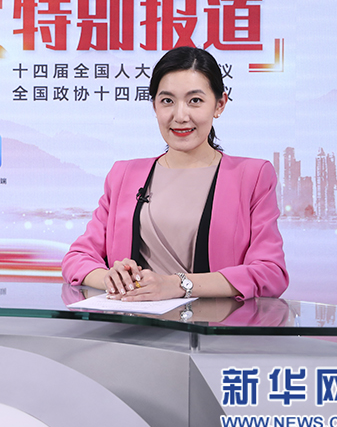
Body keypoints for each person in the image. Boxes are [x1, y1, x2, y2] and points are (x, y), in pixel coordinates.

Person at [62, 47, 288, 301]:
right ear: (155, 106)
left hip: (216, 323)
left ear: (220, 104)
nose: (180, 116)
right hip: (133, 322)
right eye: (167, 101)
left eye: (195, 101)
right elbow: (77, 258)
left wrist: (179, 285)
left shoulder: (253, 176)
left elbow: (270, 273)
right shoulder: (124, 174)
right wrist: (112, 280)